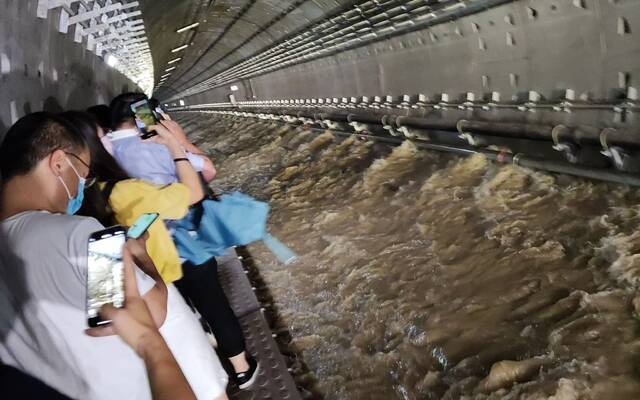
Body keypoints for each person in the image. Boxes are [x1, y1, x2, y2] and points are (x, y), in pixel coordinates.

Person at [0, 112, 227, 400]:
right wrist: (144, 258)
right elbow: (152, 312)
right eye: (82, 175)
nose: (82, 187)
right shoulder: (80, 233)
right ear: (58, 163)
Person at [68, 111, 259, 389]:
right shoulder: (125, 189)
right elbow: (196, 187)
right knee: (212, 311)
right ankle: (240, 370)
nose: (107, 141)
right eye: (101, 137)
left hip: (135, 287)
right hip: (163, 271)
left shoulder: (81, 202)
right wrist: (174, 144)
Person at [107, 93, 216, 185]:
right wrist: (183, 141)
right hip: (173, 204)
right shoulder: (160, 145)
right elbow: (209, 169)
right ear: (141, 117)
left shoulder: (102, 143)